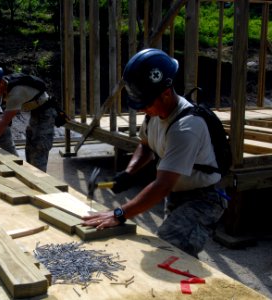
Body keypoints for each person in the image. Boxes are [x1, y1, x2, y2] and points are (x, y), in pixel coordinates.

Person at [82, 48, 227, 258]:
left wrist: (119, 214)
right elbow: (146, 145)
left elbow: (162, 185)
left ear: (166, 93)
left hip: (203, 199)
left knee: (168, 248)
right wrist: (129, 172)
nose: (142, 110)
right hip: (177, 193)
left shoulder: (186, 128)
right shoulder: (155, 114)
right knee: (178, 253)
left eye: (146, 104)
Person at [0, 66, 56, 172]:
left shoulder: (15, 93)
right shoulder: (5, 84)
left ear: (1, 83)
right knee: (30, 147)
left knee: (39, 148)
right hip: (35, 111)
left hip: (45, 114)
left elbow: (4, 123)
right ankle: (32, 175)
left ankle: (41, 180)